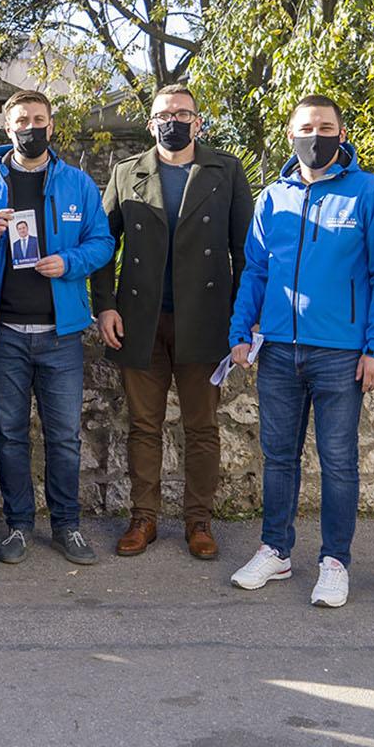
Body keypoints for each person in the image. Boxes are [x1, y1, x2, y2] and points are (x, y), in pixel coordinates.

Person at [226, 95, 374, 607]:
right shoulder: (272, 197)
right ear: (290, 135)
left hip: (342, 353)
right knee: (278, 456)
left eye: (326, 127)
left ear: (342, 134)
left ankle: (334, 562)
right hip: (279, 348)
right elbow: (255, 270)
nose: (316, 135)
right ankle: (276, 551)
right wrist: (240, 333)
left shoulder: (369, 193)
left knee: (338, 460)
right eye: (306, 127)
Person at [0, 90, 113, 567]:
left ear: (52, 126)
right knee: (10, 434)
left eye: (39, 119)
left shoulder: (78, 184)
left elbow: (102, 242)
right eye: (22, 120)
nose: (31, 127)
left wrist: (70, 261)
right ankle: (19, 525)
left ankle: (67, 526)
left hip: (61, 335)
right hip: (3, 334)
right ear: (7, 128)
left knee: (64, 436)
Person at [92, 84, 254, 560]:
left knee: (202, 427)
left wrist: (242, 320)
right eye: (165, 114)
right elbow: (103, 246)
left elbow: (244, 251)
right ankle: (143, 519)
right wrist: (104, 305)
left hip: (205, 319)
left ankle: (198, 521)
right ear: (151, 124)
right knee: (144, 426)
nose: (173, 121)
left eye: (183, 113)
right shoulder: (126, 173)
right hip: (140, 319)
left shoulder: (225, 171)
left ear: (198, 122)